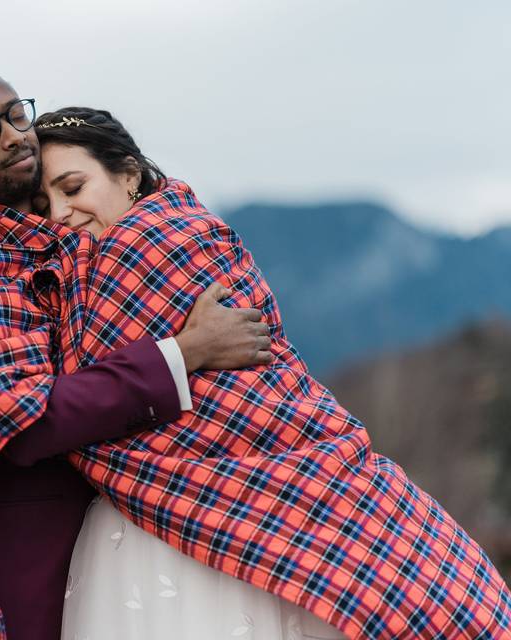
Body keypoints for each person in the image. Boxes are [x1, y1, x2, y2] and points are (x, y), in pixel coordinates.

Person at [31, 106, 511, 638]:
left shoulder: (175, 244)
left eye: (73, 186)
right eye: (43, 202)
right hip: (149, 519)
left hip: (227, 507)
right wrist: (185, 350)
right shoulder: (68, 276)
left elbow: (250, 394)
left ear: (127, 173)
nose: (60, 212)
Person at [0, 67, 272, 639]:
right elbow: (13, 418)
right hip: (24, 567)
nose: (15, 135)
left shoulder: (82, 243)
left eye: (17, 114)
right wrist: (182, 353)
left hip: (149, 538)